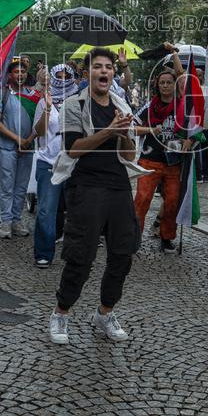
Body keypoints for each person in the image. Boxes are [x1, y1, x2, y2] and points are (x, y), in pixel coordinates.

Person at [48, 48, 145, 345]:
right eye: (98, 67)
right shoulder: (73, 105)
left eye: (108, 68)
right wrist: (108, 131)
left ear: (113, 74)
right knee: (81, 255)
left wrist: (124, 133)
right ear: (87, 73)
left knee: (123, 253)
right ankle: (61, 313)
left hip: (118, 186)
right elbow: (74, 149)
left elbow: (129, 154)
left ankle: (105, 312)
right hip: (87, 186)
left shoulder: (121, 105)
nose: (104, 72)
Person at [134, 53, 187, 254]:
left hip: (173, 162)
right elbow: (133, 127)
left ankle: (166, 237)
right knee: (142, 199)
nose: (165, 86)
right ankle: (133, 236)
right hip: (150, 160)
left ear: (175, 85)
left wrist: (189, 139)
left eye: (169, 82)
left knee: (172, 202)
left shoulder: (182, 105)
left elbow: (192, 128)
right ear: (157, 85)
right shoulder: (149, 107)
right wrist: (150, 130)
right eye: (162, 83)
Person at [32, 64, 77, 266]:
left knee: (78, 210)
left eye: (66, 75)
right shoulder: (44, 100)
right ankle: (43, 252)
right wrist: (48, 110)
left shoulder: (79, 99)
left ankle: (77, 254)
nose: (62, 78)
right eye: (58, 75)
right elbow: (39, 131)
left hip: (73, 161)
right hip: (48, 161)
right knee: (45, 210)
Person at [0, 59, 36, 239]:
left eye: (23, 72)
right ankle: (6, 222)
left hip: (27, 147)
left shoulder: (32, 95)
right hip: (7, 147)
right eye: (16, 72)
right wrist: (17, 139)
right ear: (10, 75)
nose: (20, 75)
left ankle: (17, 220)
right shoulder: (2, 93)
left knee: (21, 187)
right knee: (8, 187)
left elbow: (38, 121)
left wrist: (28, 140)